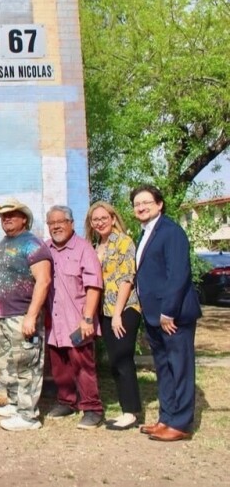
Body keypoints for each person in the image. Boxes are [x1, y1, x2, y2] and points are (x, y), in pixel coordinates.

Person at [130, 184, 201, 442]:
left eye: (146, 202)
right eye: (137, 203)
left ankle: (180, 423)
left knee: (179, 368)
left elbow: (178, 275)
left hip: (173, 316)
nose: (141, 207)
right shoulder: (146, 233)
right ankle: (166, 418)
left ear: (159, 204)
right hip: (153, 316)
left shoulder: (171, 232)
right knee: (164, 368)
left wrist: (168, 312)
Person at [0, 198, 52, 432]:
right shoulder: (5, 242)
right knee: (6, 364)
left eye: (12, 214)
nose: (6, 219)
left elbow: (43, 281)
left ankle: (28, 415)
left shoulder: (33, 245)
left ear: (24, 218)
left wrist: (31, 316)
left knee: (27, 364)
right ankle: (15, 403)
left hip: (20, 315)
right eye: (3, 216)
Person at [44, 206, 105, 430]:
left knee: (83, 366)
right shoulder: (45, 249)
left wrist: (88, 318)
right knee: (60, 366)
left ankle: (92, 409)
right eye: (52, 223)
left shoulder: (83, 249)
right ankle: (66, 401)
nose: (56, 226)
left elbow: (94, 285)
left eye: (61, 221)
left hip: (77, 320)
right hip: (54, 321)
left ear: (71, 223)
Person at [84, 201, 142, 431]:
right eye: (94, 219)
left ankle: (131, 412)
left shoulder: (123, 241)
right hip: (105, 311)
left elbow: (126, 279)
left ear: (113, 217)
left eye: (103, 218)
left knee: (123, 359)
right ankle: (126, 408)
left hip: (124, 309)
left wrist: (118, 314)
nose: (99, 222)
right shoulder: (98, 244)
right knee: (115, 361)